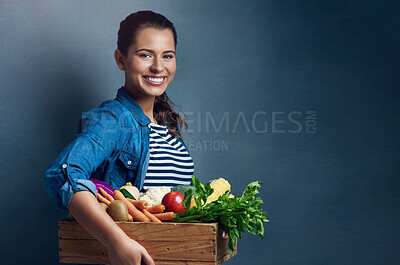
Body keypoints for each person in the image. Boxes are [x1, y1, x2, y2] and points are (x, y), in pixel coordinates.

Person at [43, 10, 194, 265]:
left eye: (167, 56)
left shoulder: (167, 127)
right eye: (145, 55)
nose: (158, 66)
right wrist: (116, 241)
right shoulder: (112, 119)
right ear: (121, 59)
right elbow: (63, 174)